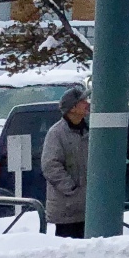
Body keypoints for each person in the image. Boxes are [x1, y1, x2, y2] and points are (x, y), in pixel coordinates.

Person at [42, 88, 91, 237]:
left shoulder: (91, 129)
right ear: (73, 108)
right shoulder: (56, 133)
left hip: (87, 209)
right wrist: (72, 188)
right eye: (83, 101)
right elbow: (50, 165)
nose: (87, 103)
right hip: (67, 210)